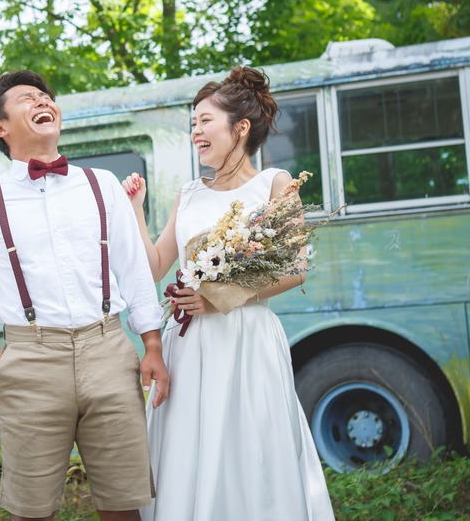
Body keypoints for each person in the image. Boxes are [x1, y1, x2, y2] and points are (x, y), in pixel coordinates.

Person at [0, 70, 171, 521]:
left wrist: (152, 345)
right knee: (31, 508)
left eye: (46, 96)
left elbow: (134, 270)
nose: (43, 100)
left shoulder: (102, 185)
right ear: (0, 128)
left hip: (109, 351)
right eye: (27, 98)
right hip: (30, 360)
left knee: (125, 502)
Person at [122, 66, 334, 521]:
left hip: (246, 339)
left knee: (250, 445)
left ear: (240, 128)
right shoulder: (190, 193)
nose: (195, 131)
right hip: (190, 343)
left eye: (204, 121)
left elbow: (297, 269)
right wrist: (134, 213)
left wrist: (221, 296)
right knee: (190, 447)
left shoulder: (276, 184)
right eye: (192, 123)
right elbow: (158, 265)